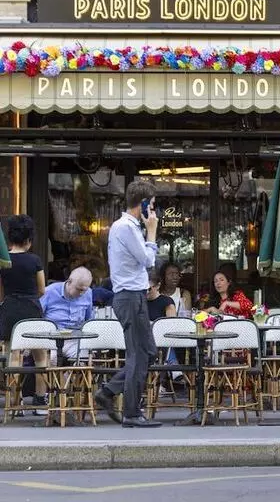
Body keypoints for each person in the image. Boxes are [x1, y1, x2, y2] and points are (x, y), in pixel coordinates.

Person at [94, 180, 162, 428]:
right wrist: (152, 231)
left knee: (148, 352)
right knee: (139, 354)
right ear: (142, 204)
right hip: (130, 297)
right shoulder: (126, 228)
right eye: (152, 205)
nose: (153, 212)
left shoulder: (128, 227)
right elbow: (147, 260)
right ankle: (132, 413)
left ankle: (109, 391)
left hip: (133, 297)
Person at [0, 214, 48, 411]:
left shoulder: (4, 262)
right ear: (29, 240)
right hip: (31, 308)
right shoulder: (34, 260)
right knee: (40, 355)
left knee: (14, 353)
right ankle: (39, 400)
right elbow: (42, 289)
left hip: (10, 307)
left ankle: (14, 400)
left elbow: (1, 291)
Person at [40, 267, 94, 364]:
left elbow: (89, 320)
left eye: (84, 290)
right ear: (69, 281)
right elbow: (38, 318)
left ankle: (68, 379)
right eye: (79, 289)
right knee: (50, 360)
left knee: (84, 359)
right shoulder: (49, 292)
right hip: (51, 339)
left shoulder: (88, 293)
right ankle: (56, 379)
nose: (82, 293)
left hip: (75, 340)